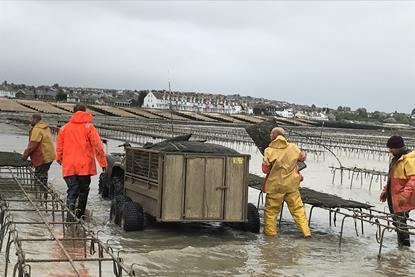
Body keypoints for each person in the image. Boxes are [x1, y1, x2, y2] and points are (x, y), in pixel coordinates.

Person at [56, 103, 107, 219]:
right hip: (85, 167)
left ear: (73, 112)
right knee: (83, 190)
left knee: (72, 189)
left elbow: (59, 148)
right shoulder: (89, 127)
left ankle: (70, 212)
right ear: (85, 112)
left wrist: (59, 160)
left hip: (69, 166)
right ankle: (80, 214)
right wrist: (103, 163)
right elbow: (98, 147)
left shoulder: (64, 128)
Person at [261, 127, 311, 238]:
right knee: (298, 210)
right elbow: (302, 158)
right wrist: (303, 153)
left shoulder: (268, 150)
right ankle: (306, 233)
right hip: (291, 185)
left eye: (271, 135)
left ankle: (270, 236)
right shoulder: (293, 147)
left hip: (275, 186)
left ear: (274, 137)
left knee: (271, 212)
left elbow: (265, 169)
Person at [380, 135, 415, 247]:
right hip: (394, 195)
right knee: (397, 221)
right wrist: (386, 191)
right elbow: (392, 178)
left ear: (398, 147)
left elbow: (413, 180)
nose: (389, 150)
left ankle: (404, 247)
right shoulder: (395, 158)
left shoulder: (408, 160)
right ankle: (401, 250)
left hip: (402, 196)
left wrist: (404, 196)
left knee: (400, 222)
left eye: (391, 148)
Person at [22, 113, 55, 194]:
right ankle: (44, 194)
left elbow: (33, 145)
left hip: (43, 157)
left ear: (35, 119)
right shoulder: (45, 128)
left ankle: (39, 193)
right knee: (43, 175)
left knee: (38, 178)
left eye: (31, 119)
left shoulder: (37, 129)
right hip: (49, 156)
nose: (30, 121)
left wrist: (25, 155)